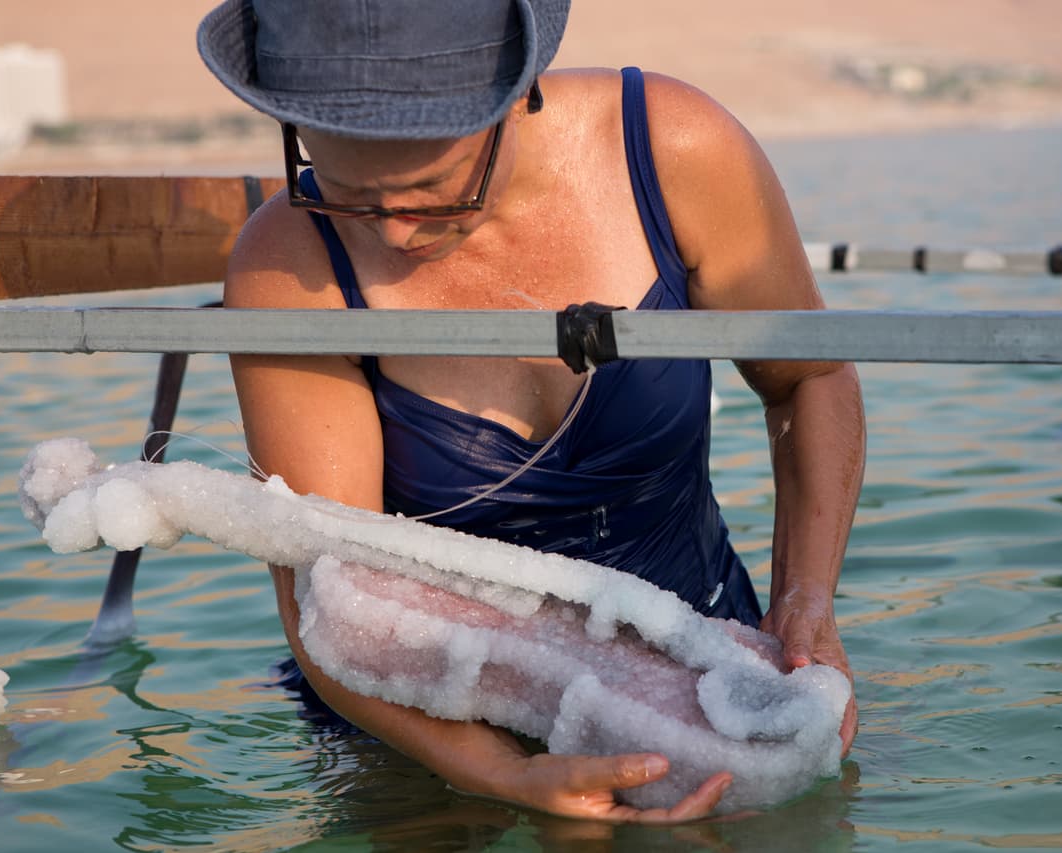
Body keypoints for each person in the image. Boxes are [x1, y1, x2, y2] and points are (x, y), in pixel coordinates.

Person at [198, 0, 865, 822]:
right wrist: (501, 776)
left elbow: (810, 378)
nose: (397, 234)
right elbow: (332, 601)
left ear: (517, 94)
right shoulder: (288, 264)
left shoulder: (672, 151)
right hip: (423, 721)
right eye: (351, 195)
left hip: (708, 676)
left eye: (432, 188)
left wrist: (805, 600)